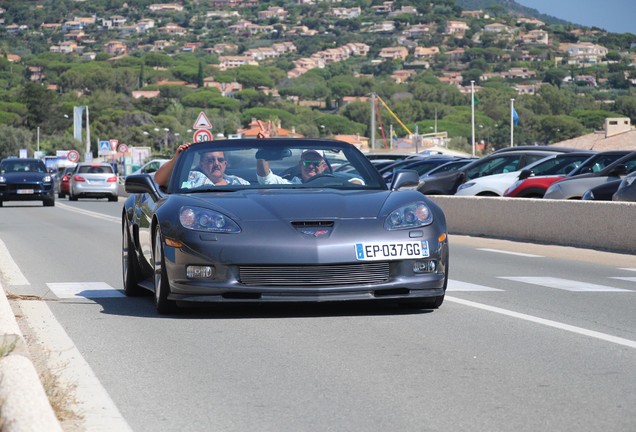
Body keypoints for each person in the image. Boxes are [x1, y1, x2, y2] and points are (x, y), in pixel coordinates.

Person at [154, 142, 249, 188]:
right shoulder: (190, 180)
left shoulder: (238, 182)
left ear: (225, 164)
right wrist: (176, 159)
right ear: (201, 164)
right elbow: (159, 180)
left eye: (220, 160)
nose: (216, 164)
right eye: (210, 160)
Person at [257, 149, 329, 184]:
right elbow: (265, 179)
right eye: (307, 162)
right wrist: (263, 149)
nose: (311, 166)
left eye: (316, 163)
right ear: (300, 165)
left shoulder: (332, 186)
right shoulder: (289, 185)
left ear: (324, 167)